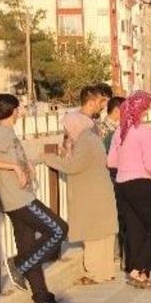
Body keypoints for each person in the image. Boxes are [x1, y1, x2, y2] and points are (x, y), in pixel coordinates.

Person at [0, 94, 72, 303]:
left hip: (18, 197)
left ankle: (41, 299)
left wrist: (27, 165)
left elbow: (11, 157)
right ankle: (20, 264)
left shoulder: (8, 132)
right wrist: (15, 168)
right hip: (18, 199)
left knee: (28, 246)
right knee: (58, 229)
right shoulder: (2, 132)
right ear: (12, 110)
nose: (20, 112)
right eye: (19, 108)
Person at [43, 111, 119, 285]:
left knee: (92, 234)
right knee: (104, 234)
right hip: (101, 190)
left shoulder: (84, 141)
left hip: (91, 194)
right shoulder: (92, 138)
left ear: (74, 126)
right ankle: (106, 272)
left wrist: (49, 158)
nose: (66, 130)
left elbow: (74, 166)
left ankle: (93, 274)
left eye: (66, 127)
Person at [107, 91, 151, 290]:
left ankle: (136, 271)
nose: (147, 111)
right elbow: (150, 165)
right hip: (141, 184)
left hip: (122, 185)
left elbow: (111, 162)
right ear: (142, 109)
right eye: (146, 108)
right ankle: (139, 268)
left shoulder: (119, 131)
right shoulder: (144, 132)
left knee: (135, 229)